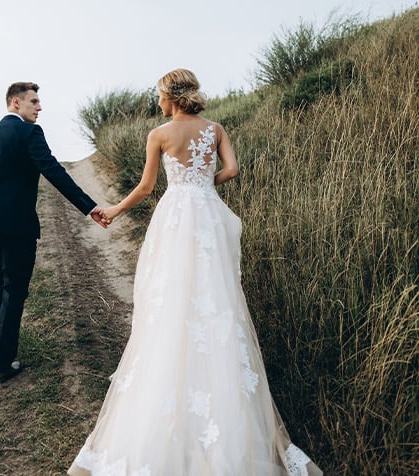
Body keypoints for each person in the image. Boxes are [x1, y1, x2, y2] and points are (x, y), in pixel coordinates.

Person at [68, 69, 322, 475]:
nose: (157, 102)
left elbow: (147, 188)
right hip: (208, 217)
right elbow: (233, 170)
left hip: (176, 219)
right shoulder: (216, 128)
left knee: (169, 298)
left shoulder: (159, 134)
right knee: (217, 299)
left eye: (159, 95)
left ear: (171, 96)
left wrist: (114, 210)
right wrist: (203, 186)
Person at [0, 81, 108, 385]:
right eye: (34, 102)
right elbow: (53, 171)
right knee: (14, 290)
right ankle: (2, 364)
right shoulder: (30, 133)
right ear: (15, 103)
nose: (39, 107)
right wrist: (89, 206)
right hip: (17, 226)